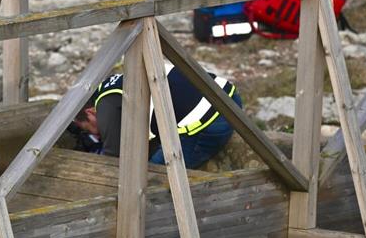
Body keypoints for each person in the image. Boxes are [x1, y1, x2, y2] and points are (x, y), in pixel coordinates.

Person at [69, 69, 242, 169]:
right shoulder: (114, 84)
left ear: (91, 113)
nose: (96, 135)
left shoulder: (105, 107)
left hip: (209, 121)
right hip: (228, 95)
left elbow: (114, 162)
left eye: (88, 128)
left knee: (151, 177)